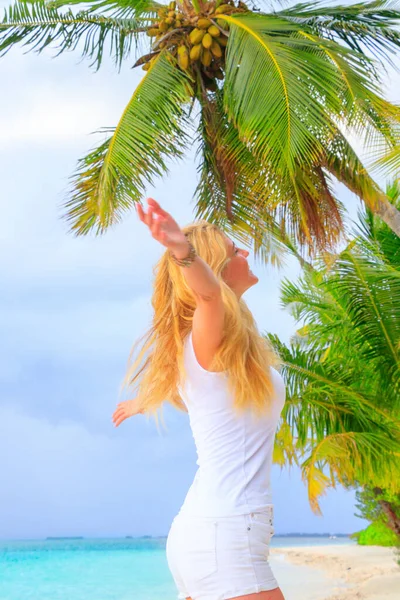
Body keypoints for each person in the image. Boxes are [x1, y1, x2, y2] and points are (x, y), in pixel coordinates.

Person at [112, 197, 286, 600]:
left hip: (210, 533)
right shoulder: (210, 334)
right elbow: (208, 298)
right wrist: (183, 252)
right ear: (217, 270)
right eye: (233, 250)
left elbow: (207, 400)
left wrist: (145, 401)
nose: (244, 252)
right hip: (225, 536)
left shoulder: (226, 350)